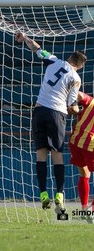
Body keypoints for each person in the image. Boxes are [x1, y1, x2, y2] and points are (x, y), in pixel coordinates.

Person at [15, 32, 87, 214]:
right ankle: (60, 194)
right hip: (57, 114)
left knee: (40, 154)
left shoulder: (54, 61)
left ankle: (43, 193)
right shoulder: (75, 78)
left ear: (69, 58)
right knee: (57, 154)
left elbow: (38, 49)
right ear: (78, 66)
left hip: (39, 111)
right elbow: (71, 106)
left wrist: (25, 39)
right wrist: (80, 111)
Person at [68, 91, 94, 221]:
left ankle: (84, 209)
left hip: (75, 142)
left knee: (84, 174)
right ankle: (91, 211)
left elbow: (77, 93)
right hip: (90, 145)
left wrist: (72, 105)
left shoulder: (90, 101)